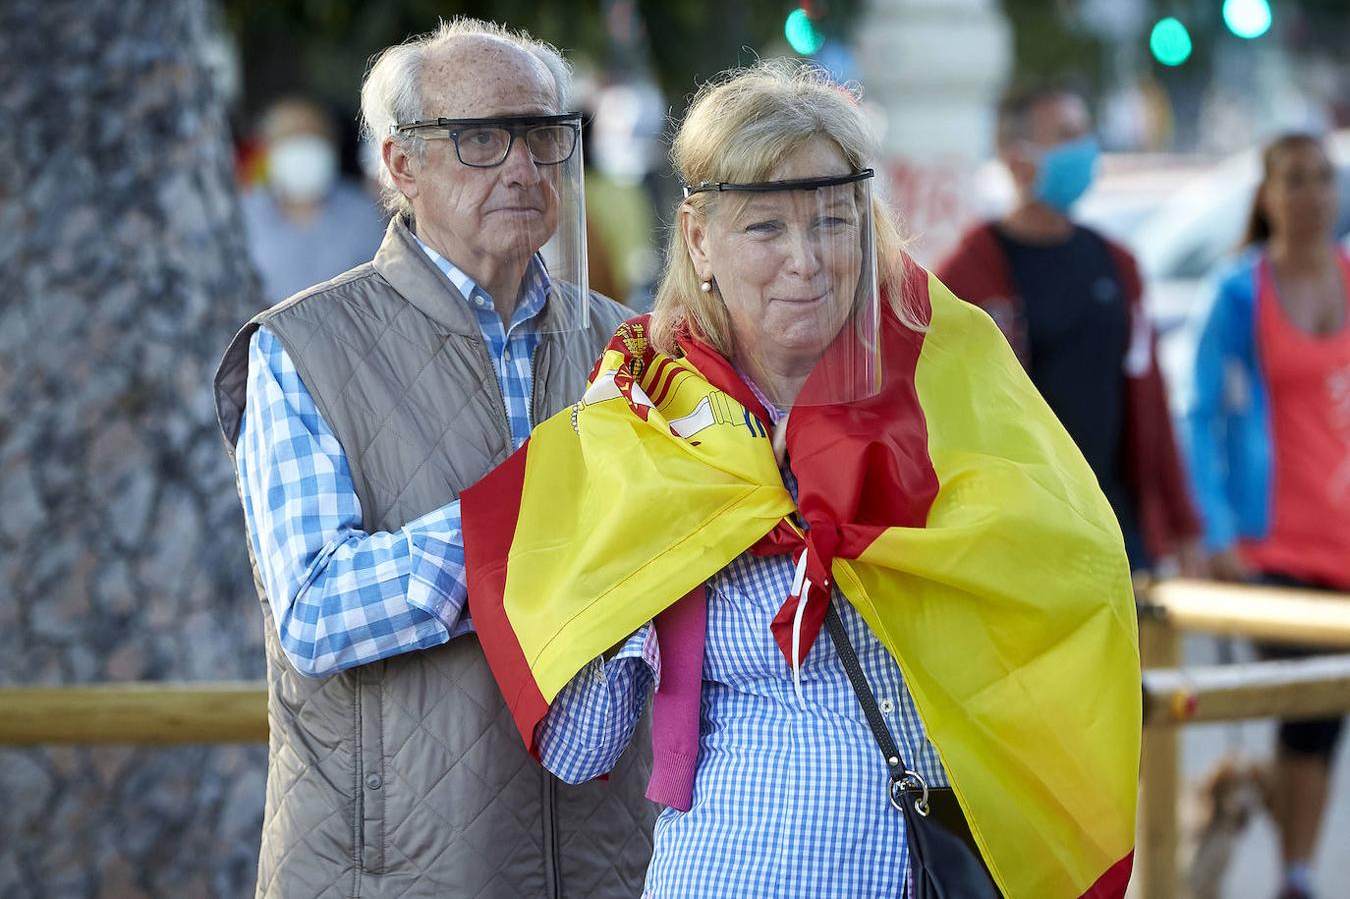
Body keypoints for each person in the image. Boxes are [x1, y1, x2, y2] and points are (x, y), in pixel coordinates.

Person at [457, 63, 1142, 898]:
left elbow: (1077, 582)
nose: (806, 261)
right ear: (700, 239)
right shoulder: (649, 426)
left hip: (924, 870)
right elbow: (583, 745)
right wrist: (635, 518)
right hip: (727, 874)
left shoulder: (949, 382)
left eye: (831, 220)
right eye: (764, 228)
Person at [212, 19, 654, 898]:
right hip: (395, 870)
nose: (523, 165)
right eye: (483, 137)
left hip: (612, 858)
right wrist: (541, 529)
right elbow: (316, 611)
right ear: (401, 167)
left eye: (542, 134)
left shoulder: (629, 346)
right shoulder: (302, 348)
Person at [936, 85, 1202, 577]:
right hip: (1021, 537)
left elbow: (1149, 402)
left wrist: (1182, 528)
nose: (1084, 149)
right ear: (1016, 160)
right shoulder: (968, 276)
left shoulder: (1117, 265)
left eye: (1085, 132)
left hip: (1116, 532)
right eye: (1065, 135)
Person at [1185, 133, 1350, 899]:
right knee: (1304, 710)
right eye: (1296, 180)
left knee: (1325, 719)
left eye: (1325, 179)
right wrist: (1215, 531)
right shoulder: (1239, 293)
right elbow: (1203, 416)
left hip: (1344, 534)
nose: (1313, 194)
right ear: (1268, 195)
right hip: (1272, 542)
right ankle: (1296, 875)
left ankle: (1294, 867)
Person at [239, 96, 387, 302]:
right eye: (290, 136)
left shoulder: (365, 213)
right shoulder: (243, 215)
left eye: (313, 135)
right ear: (267, 147)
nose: (303, 144)